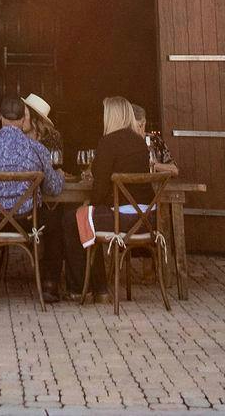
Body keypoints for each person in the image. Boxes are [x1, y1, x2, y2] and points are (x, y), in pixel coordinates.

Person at [67, 95, 178, 297]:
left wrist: (90, 205)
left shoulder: (108, 142)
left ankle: (86, 288)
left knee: (73, 219)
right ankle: (98, 289)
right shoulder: (140, 143)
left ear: (111, 116)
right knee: (86, 217)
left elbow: (99, 189)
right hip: (148, 220)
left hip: (122, 221)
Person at [0, 94, 67, 299]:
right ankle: (49, 285)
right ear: (22, 119)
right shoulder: (38, 150)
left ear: (0, 117)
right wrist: (60, 175)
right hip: (29, 222)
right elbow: (54, 189)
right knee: (54, 221)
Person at [21, 93, 63, 161]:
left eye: (24, 115)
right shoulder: (17, 135)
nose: (20, 119)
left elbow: (55, 164)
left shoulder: (52, 137)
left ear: (35, 119)